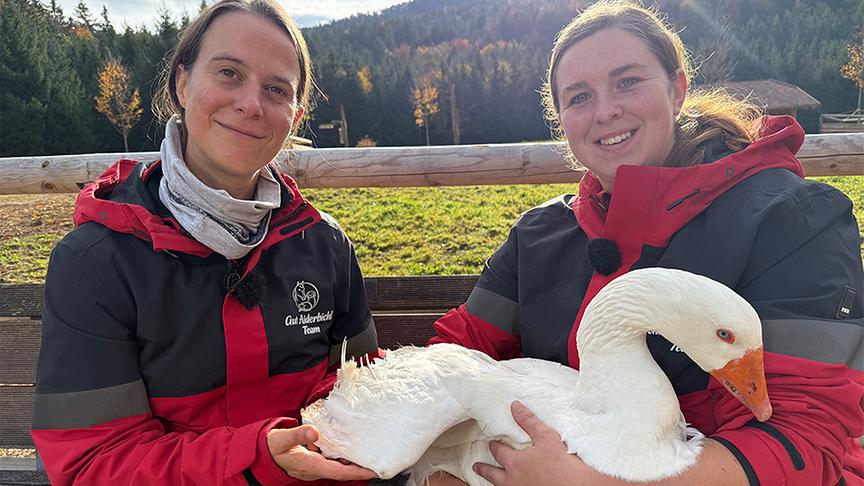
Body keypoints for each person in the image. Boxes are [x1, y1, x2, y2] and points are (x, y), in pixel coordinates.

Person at [427, 1, 864, 485]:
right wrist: (440, 473)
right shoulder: (538, 234)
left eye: (628, 81)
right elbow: (454, 359)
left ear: (677, 89)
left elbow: (805, 437)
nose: (606, 110)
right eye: (578, 97)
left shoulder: (792, 219)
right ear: (562, 122)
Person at [30, 1, 379, 485]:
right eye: (229, 72)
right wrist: (258, 460)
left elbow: (362, 390)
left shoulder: (325, 246)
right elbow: (91, 463)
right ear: (182, 82)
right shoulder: (97, 262)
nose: (252, 104)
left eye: (276, 89)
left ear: (294, 117)